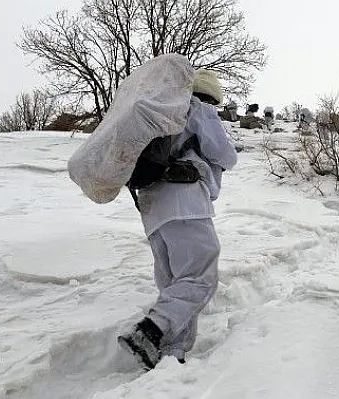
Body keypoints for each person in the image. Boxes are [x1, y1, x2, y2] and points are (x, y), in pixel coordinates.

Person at [118, 69, 238, 369]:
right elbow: (225, 154)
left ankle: (171, 355)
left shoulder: (159, 113)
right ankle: (150, 330)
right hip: (184, 200)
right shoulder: (198, 109)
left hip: (151, 206)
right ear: (211, 96)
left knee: (175, 281)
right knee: (201, 275)